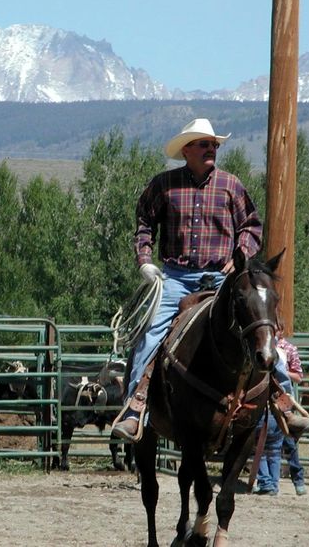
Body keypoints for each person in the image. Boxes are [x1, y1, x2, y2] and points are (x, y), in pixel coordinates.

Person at [112, 118, 263, 441]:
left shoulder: (231, 185)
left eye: (214, 145)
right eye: (204, 144)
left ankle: (282, 399)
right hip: (176, 277)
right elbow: (144, 223)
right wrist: (144, 262)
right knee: (150, 335)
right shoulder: (163, 185)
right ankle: (135, 408)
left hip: (222, 278)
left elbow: (251, 226)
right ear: (186, 150)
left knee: (259, 328)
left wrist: (240, 259)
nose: (212, 149)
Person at [253, 328, 307, 495]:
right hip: (277, 404)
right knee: (275, 447)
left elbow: (296, 376)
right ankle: (273, 485)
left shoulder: (276, 351)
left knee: (261, 447)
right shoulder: (278, 351)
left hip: (268, 403)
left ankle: (269, 483)